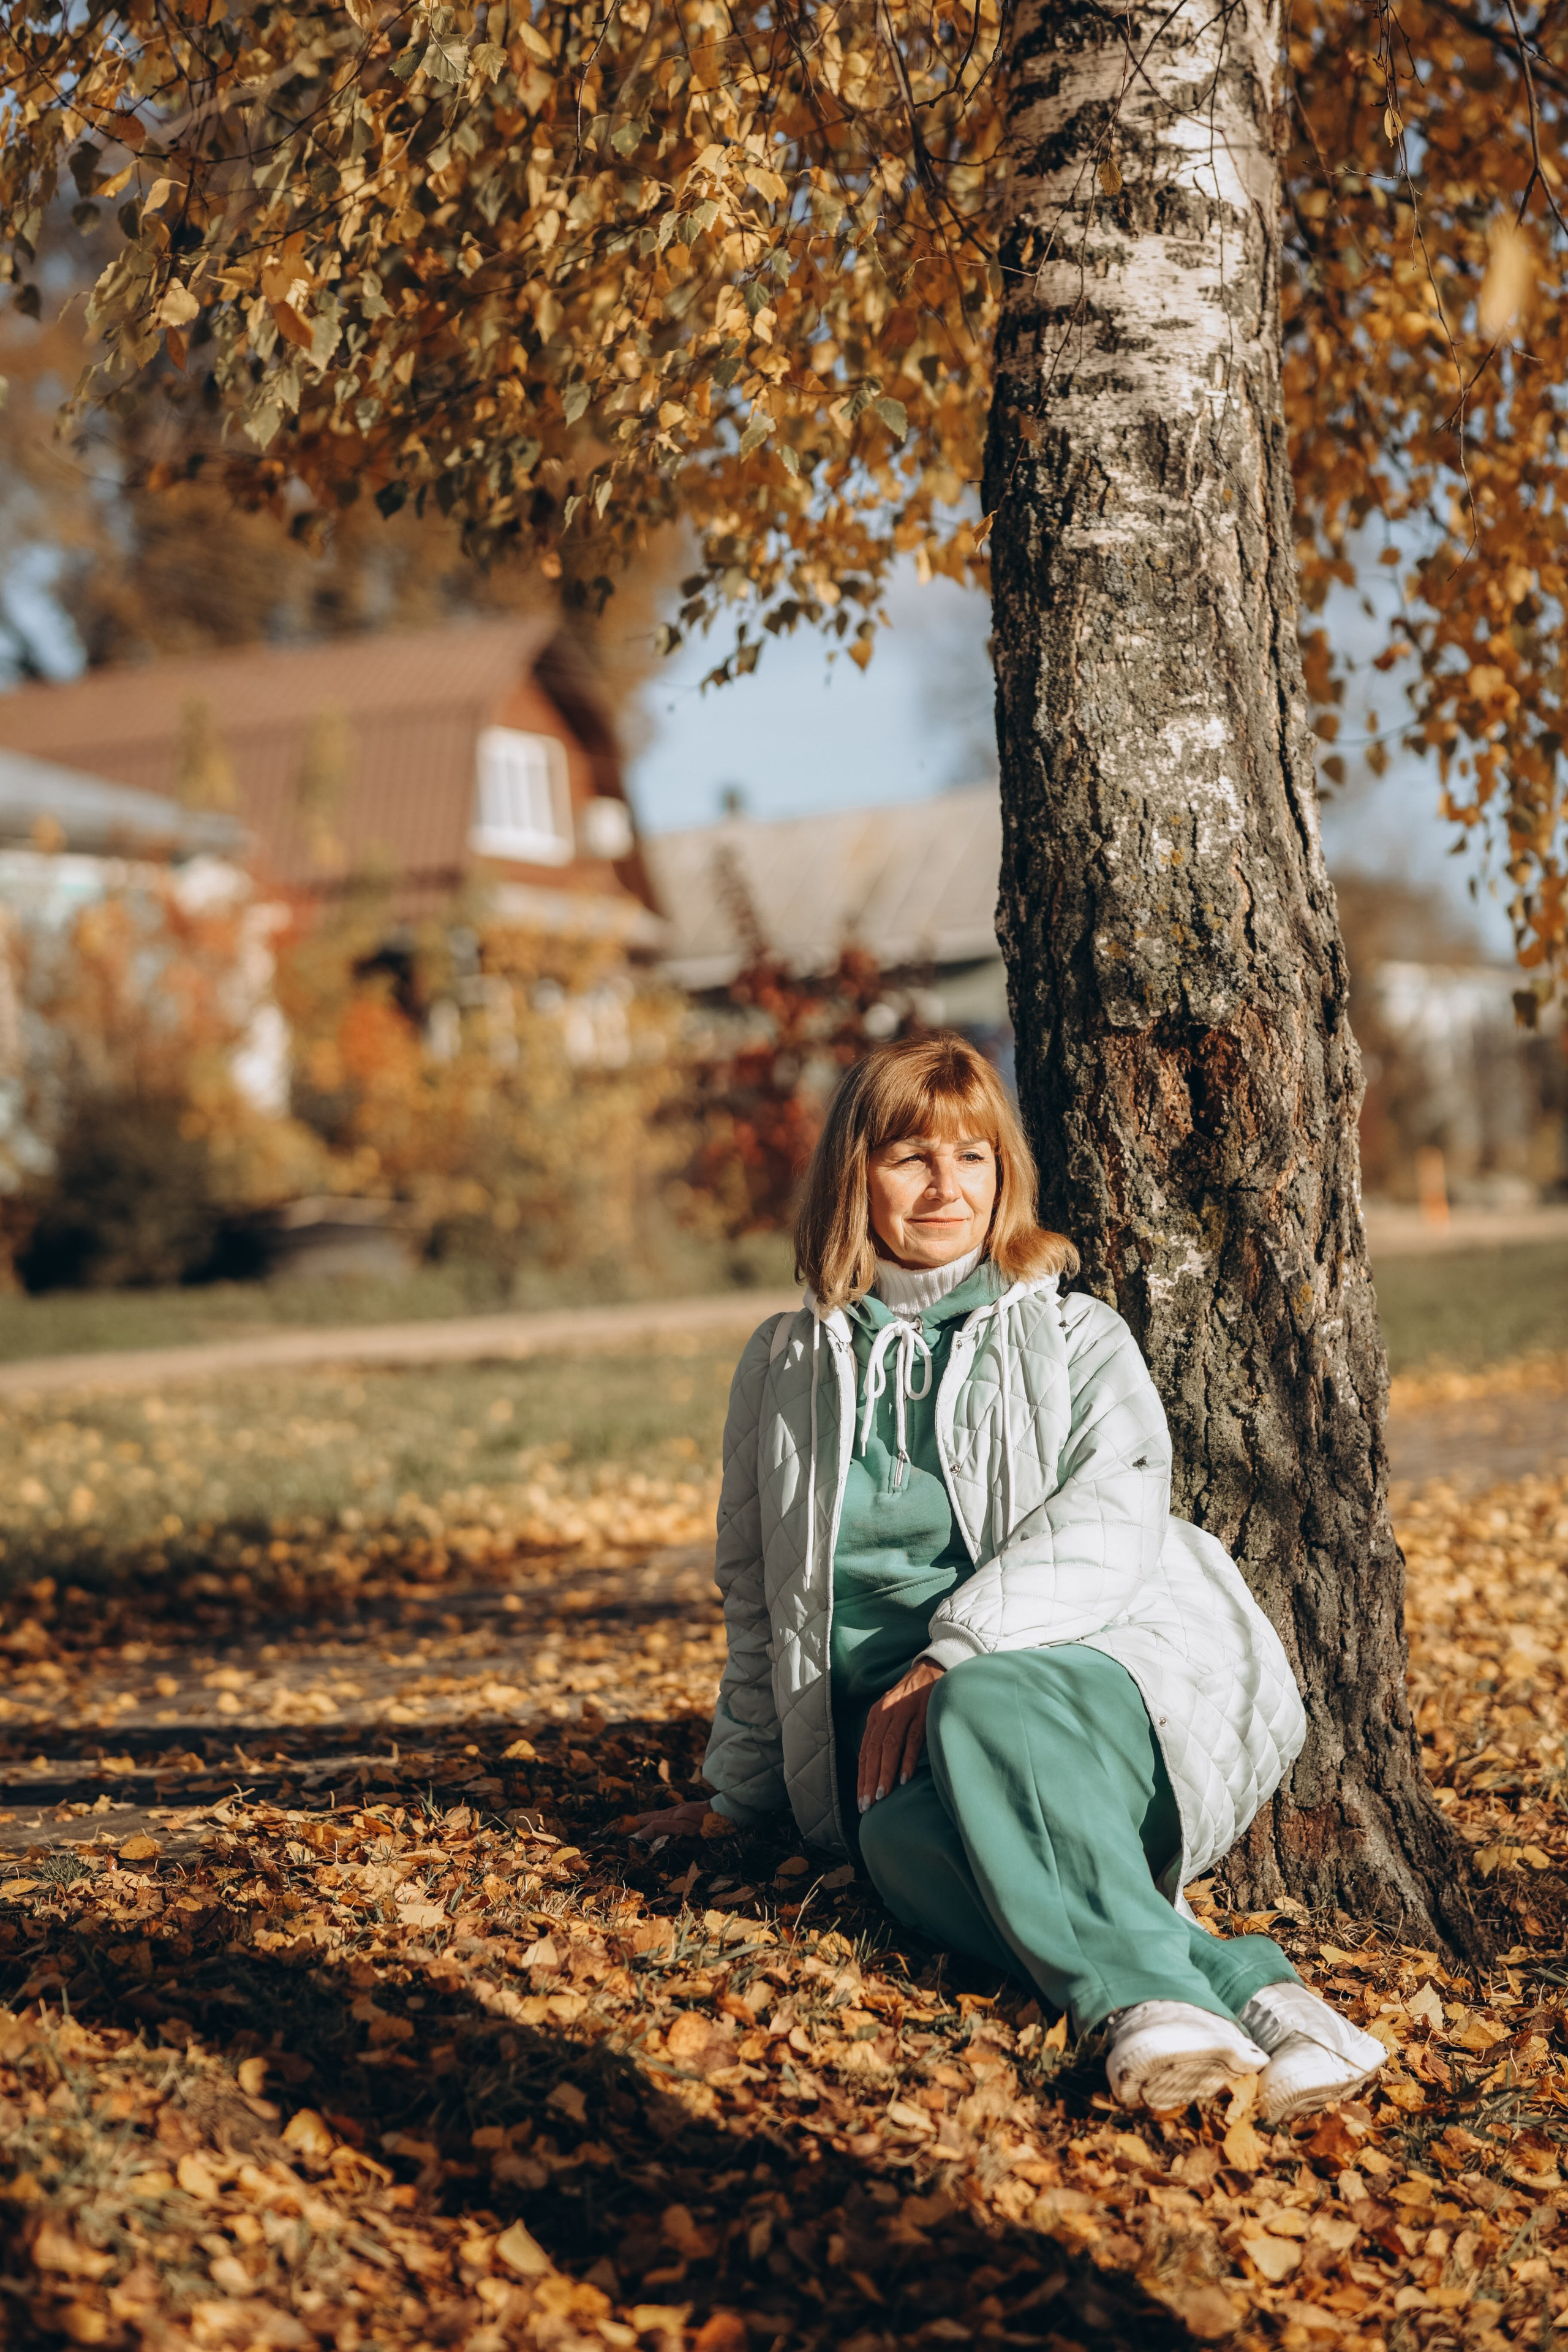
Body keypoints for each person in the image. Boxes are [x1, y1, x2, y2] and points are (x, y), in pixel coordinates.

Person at [635, 1033, 1384, 2120]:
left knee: (983, 1699)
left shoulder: (1077, 1338)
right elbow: (758, 1600)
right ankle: (1253, 1996)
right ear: (855, 1176)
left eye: (972, 1158)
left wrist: (956, 1650)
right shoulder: (783, 1364)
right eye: (911, 1157)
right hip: (890, 1761)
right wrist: (738, 1799)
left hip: (1071, 1688)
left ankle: (1143, 2010)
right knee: (896, 1844)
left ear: (1004, 1176)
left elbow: (1114, 1524)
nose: (946, 1187)